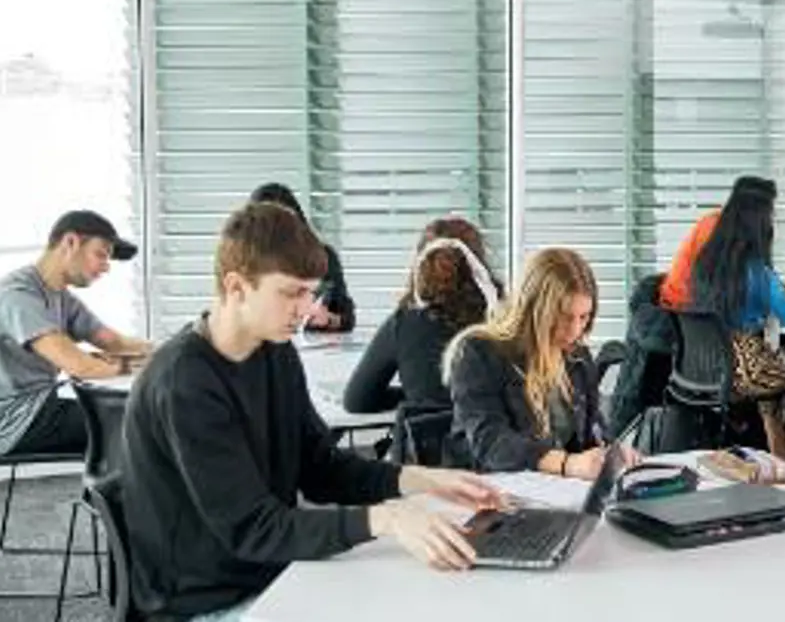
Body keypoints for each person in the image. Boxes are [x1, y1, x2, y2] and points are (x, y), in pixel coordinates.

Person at [121, 202, 505, 621]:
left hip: (270, 571)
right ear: (236, 287)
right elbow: (253, 529)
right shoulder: (184, 383)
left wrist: (422, 480)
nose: (307, 309)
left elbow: (321, 469)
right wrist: (387, 518)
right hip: (207, 601)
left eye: (310, 292)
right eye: (291, 293)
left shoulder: (274, 352)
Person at [447, 248, 637, 478]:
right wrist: (567, 464)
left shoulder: (577, 357)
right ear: (536, 310)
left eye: (584, 317)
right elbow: (491, 443)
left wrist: (611, 455)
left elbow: (593, 434)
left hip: (556, 489)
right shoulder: (479, 353)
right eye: (565, 317)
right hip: (487, 487)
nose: (575, 330)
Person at [0, 210, 150, 458]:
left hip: (44, 404)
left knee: (144, 408)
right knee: (147, 418)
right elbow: (80, 366)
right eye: (101, 254)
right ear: (70, 242)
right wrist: (145, 366)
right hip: (16, 422)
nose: (106, 267)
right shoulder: (18, 297)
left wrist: (173, 350)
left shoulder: (58, 295)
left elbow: (112, 341)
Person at [691, 183, 785, 461]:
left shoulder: (706, 263)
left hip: (706, 363)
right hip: (746, 368)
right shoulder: (757, 272)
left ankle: (776, 435)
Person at [343, 217, 505, 414]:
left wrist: (415, 399)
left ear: (420, 264)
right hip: (494, 432)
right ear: (479, 263)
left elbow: (357, 401)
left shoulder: (405, 323)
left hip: (427, 432)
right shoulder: (506, 320)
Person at [660, 176, 785, 311]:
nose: (773, 216)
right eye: (769, 210)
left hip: (700, 313)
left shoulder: (733, 231)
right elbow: (737, 289)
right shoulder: (716, 231)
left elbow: (757, 282)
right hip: (686, 316)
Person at [249, 182, 356, 331]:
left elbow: (347, 315)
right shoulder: (245, 263)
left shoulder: (323, 257)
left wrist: (329, 319)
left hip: (313, 343)